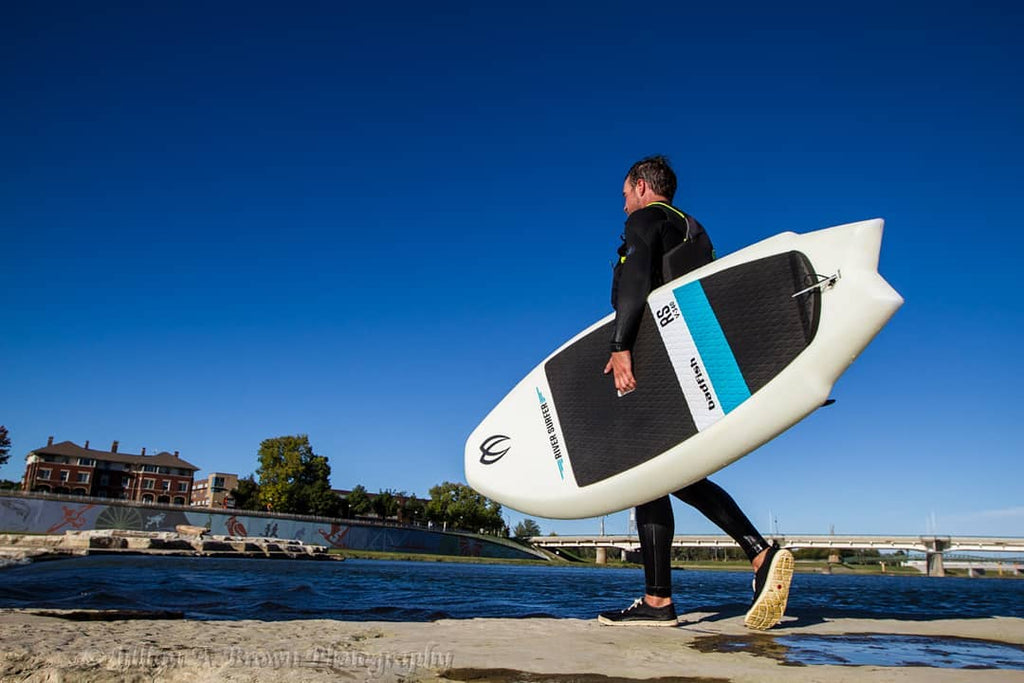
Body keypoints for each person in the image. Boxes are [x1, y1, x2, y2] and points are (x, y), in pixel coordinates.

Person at [597, 155, 794, 630]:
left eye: (625, 192)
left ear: (642, 187)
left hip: (657, 356)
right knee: (673, 473)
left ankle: (663, 599)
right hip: (692, 355)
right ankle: (752, 556)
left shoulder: (646, 219)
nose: (623, 203)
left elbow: (637, 282)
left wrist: (621, 345)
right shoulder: (696, 231)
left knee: (649, 473)